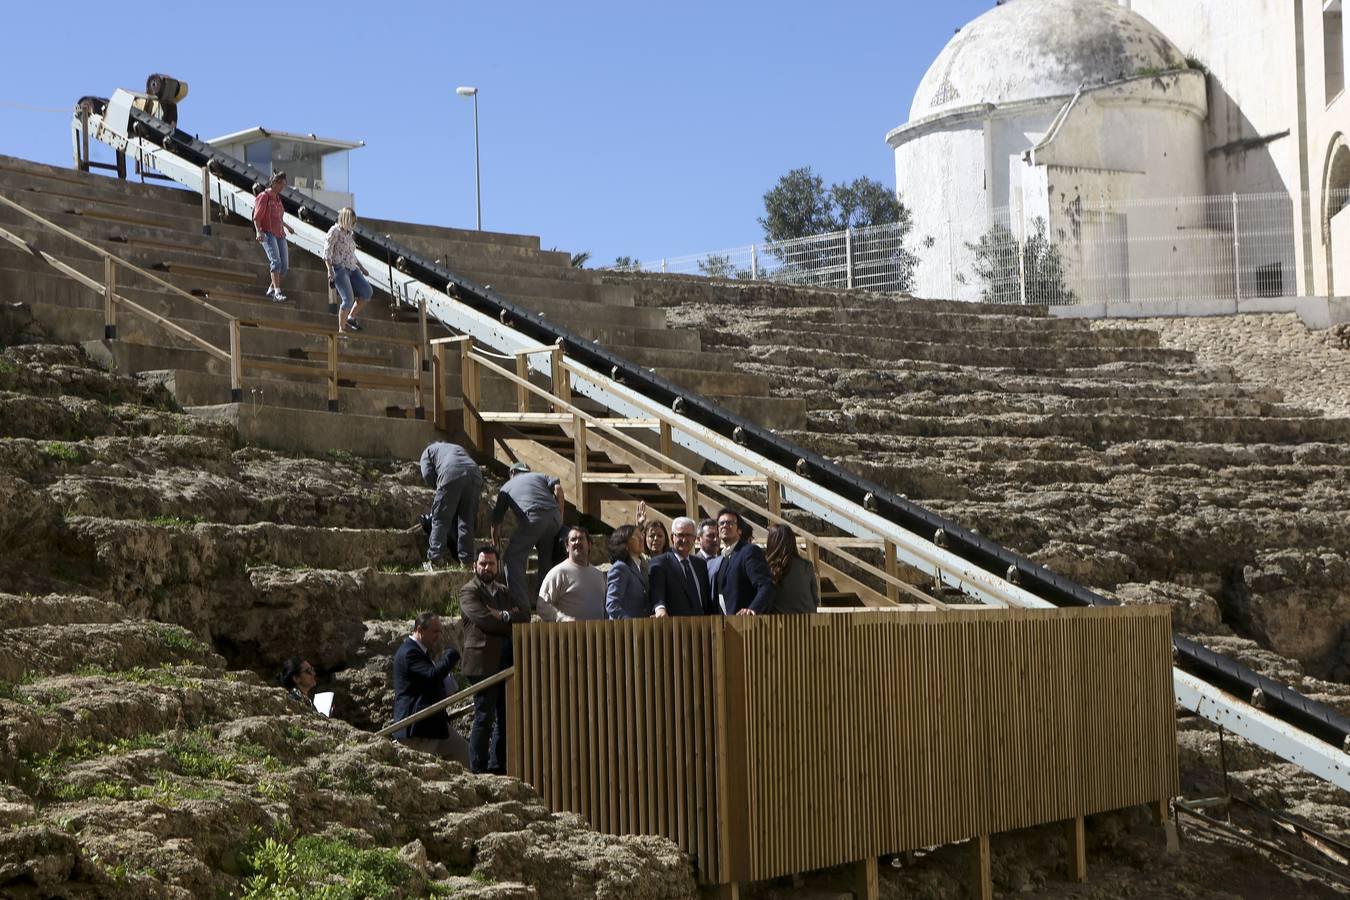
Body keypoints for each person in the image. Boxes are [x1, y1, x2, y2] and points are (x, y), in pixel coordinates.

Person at [459, 545, 528, 774]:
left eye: (491, 563)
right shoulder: (469, 591)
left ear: (498, 566)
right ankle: (477, 769)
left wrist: (504, 615)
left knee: (505, 717)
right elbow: (484, 620)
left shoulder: (504, 592)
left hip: (506, 661)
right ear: (474, 566)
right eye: (482, 563)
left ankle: (498, 767)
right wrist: (508, 622)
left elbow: (525, 615)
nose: (486, 567)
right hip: (481, 662)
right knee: (484, 716)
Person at [391, 612, 471, 765]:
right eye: (435, 631)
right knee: (421, 769)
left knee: (463, 753)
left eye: (440, 631)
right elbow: (432, 675)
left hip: (433, 725)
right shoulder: (410, 652)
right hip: (418, 728)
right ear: (420, 630)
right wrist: (451, 655)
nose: (438, 636)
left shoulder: (421, 652)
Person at [490, 463, 565, 608]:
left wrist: (494, 542)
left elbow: (496, 521)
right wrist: (560, 515)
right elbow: (558, 489)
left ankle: (521, 606)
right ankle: (546, 603)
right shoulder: (540, 475)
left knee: (512, 559)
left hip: (533, 518)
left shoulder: (507, 486)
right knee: (545, 559)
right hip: (554, 518)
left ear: (512, 472)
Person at [420, 441, 483, 569]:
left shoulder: (427, 452)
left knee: (440, 518)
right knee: (466, 521)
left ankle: (435, 558)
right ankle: (467, 562)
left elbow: (427, 474)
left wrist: (440, 490)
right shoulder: (456, 447)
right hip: (475, 474)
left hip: (451, 472)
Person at [650, 516, 717, 617]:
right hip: (676, 627)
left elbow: (706, 600)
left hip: (703, 627)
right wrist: (660, 608)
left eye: (688, 535)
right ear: (672, 537)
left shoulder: (700, 564)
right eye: (680, 535)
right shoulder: (660, 563)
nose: (684, 539)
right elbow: (657, 592)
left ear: (694, 538)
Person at [536, 526, 606, 622]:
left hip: (598, 635)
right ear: (567, 547)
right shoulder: (558, 573)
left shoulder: (599, 575)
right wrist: (565, 620)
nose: (577, 542)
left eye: (581, 539)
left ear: (589, 545)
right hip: (569, 636)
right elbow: (542, 606)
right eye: (573, 540)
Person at [714, 508, 775, 616]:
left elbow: (765, 585)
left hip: (747, 624)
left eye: (729, 523)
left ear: (739, 530)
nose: (724, 526)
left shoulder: (749, 551)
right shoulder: (723, 557)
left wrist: (753, 609)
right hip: (726, 624)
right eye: (721, 523)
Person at [324, 207, 373, 333]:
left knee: (367, 292)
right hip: (339, 268)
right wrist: (330, 270)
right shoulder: (334, 231)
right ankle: (342, 328)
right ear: (346, 220)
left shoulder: (349, 234)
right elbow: (327, 253)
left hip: (352, 268)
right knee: (348, 299)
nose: (353, 224)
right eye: (352, 221)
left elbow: (351, 254)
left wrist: (362, 268)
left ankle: (351, 317)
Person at [253, 171, 296, 302]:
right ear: (274, 183)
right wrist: (258, 231)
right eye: (281, 184)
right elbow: (257, 216)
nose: (283, 187)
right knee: (276, 262)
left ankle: (271, 289)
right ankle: (277, 292)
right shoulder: (264, 196)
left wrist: (287, 227)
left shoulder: (278, 199)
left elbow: (278, 217)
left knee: (284, 267)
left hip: (280, 234)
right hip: (268, 233)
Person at [764, 523, 820, 614]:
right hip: (807, 621)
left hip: (779, 624)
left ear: (771, 542)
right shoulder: (806, 565)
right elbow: (815, 599)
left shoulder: (768, 567)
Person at [604, 525, 651, 620]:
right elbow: (612, 605)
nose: (642, 538)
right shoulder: (620, 568)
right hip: (625, 631)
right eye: (636, 536)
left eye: (641, 535)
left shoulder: (642, 566)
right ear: (625, 544)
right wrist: (630, 623)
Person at [696, 517, 723, 586]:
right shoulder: (693, 564)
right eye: (710, 536)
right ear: (699, 539)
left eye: (718, 535)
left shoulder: (724, 560)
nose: (715, 539)